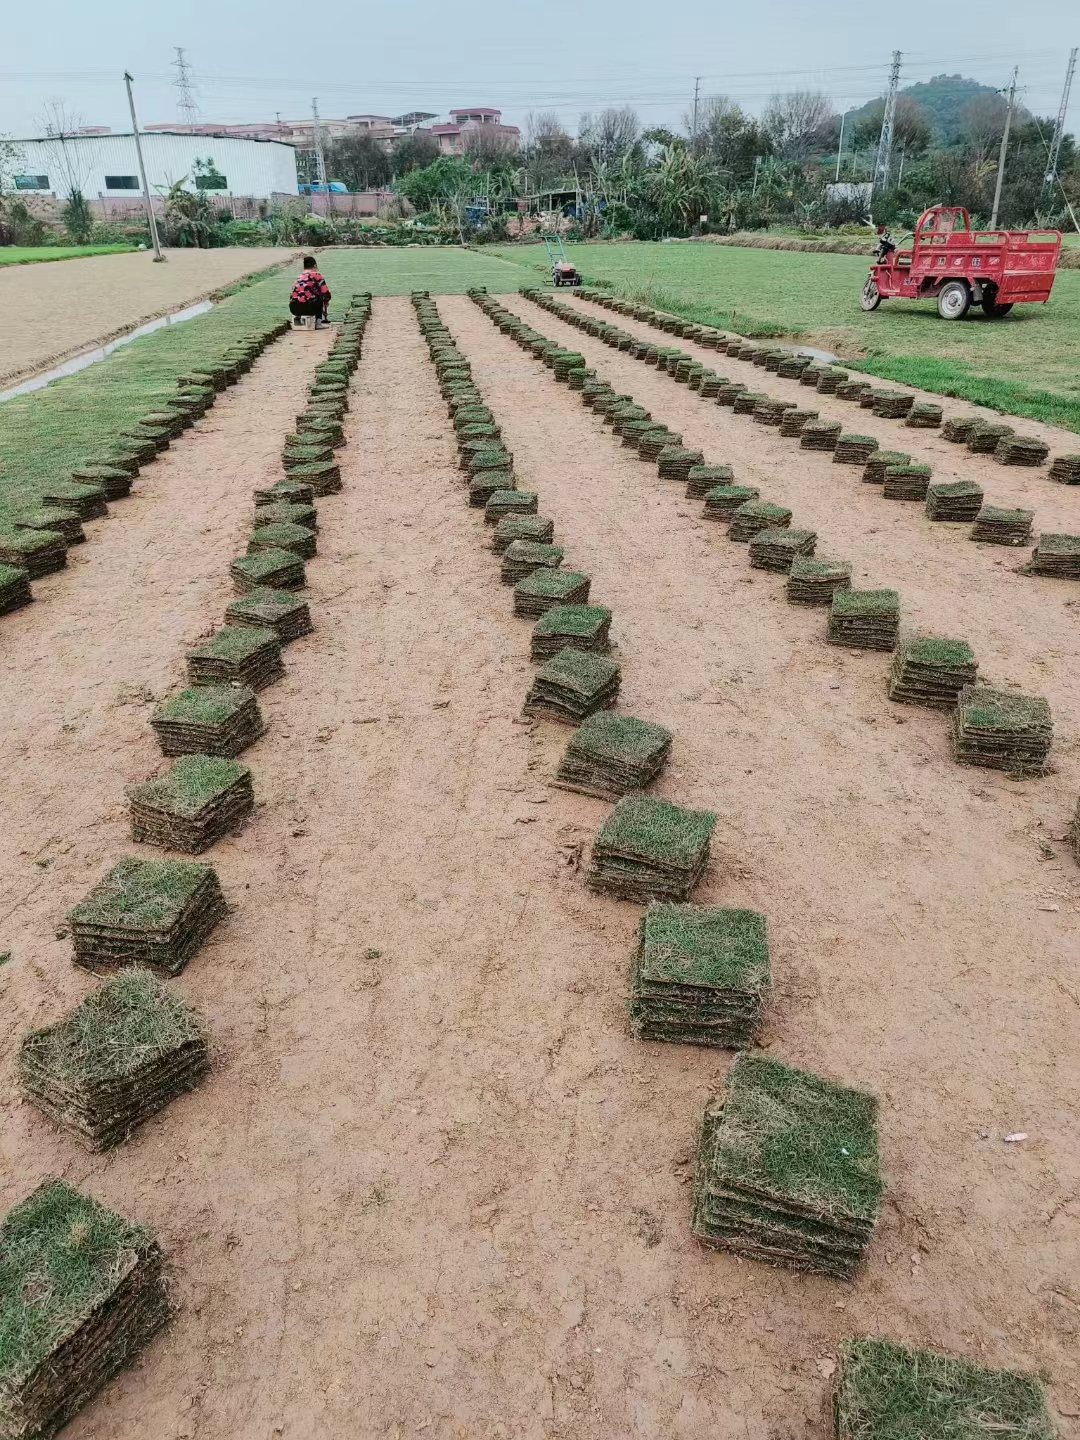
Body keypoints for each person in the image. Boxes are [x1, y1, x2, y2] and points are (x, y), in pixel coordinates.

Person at [289, 256, 331, 329]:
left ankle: (298, 321)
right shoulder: (317, 275)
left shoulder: (299, 277)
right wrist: (326, 301)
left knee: (299, 296)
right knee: (320, 296)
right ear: (314, 265)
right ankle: (318, 322)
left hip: (294, 309)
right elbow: (325, 292)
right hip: (310, 308)